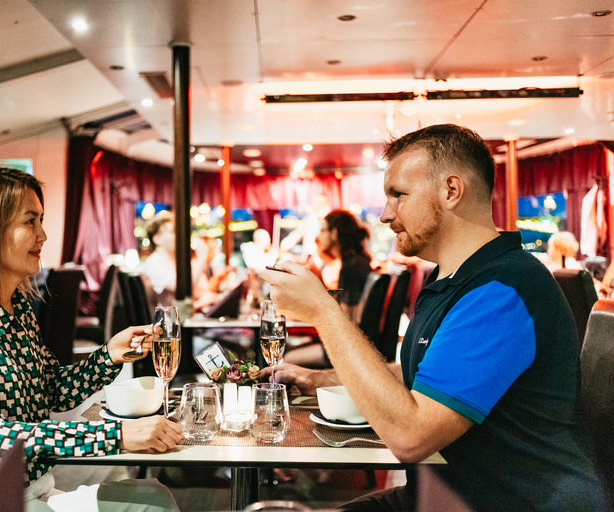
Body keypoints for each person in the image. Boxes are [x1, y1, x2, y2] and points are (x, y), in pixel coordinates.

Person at [260, 124, 606, 511]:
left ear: (451, 190)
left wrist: (322, 311)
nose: (385, 215)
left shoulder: (503, 289)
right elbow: (419, 375)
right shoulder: (446, 276)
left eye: (399, 195)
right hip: (441, 495)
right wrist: (317, 378)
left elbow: (410, 437)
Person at [0, 165, 182, 512]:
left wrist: (110, 355)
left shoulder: (17, 308)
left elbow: (52, 389)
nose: (43, 234)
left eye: (41, 220)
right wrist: (117, 436)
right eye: (29, 221)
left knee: (154, 498)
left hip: (30, 486)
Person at [285, 210, 374, 368]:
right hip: (356, 348)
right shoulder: (356, 261)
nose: (317, 237)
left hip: (350, 352)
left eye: (322, 230)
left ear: (334, 233)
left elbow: (348, 320)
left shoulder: (351, 267)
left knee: (288, 359)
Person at [141, 211, 177, 306]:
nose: (177, 236)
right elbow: (179, 287)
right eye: (172, 232)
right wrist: (201, 258)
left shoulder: (172, 262)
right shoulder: (153, 263)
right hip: (168, 320)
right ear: (157, 239)